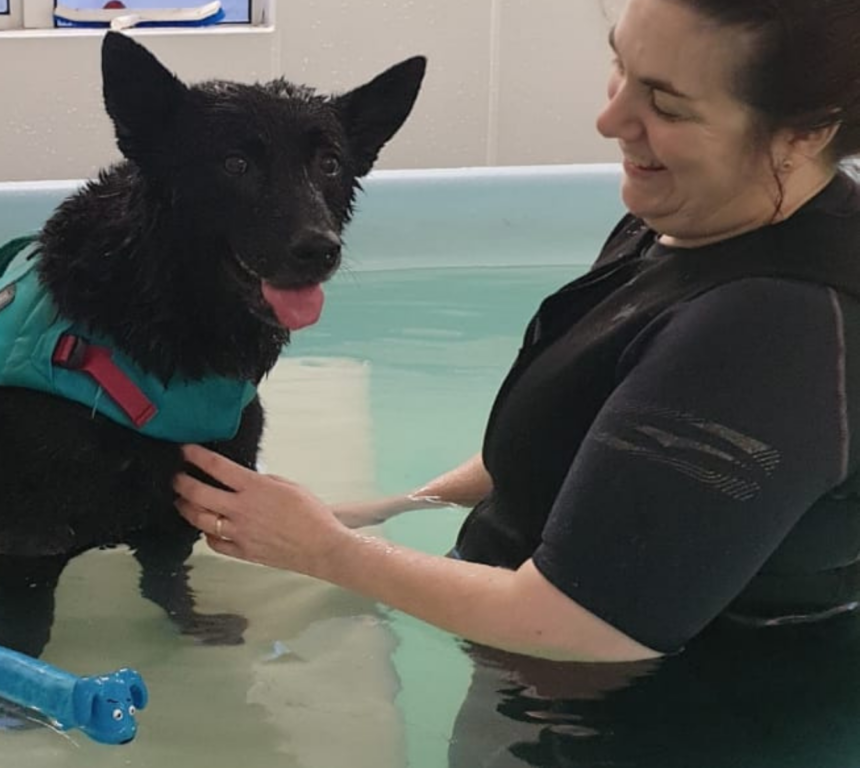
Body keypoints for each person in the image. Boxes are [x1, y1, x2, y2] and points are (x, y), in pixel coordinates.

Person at [175, 0, 860, 666]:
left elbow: (582, 628)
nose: (610, 118)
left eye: (668, 104)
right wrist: (394, 506)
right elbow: (589, 434)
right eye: (619, 65)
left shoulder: (775, 331)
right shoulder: (703, 210)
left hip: (641, 720)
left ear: (805, 133)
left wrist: (325, 551)